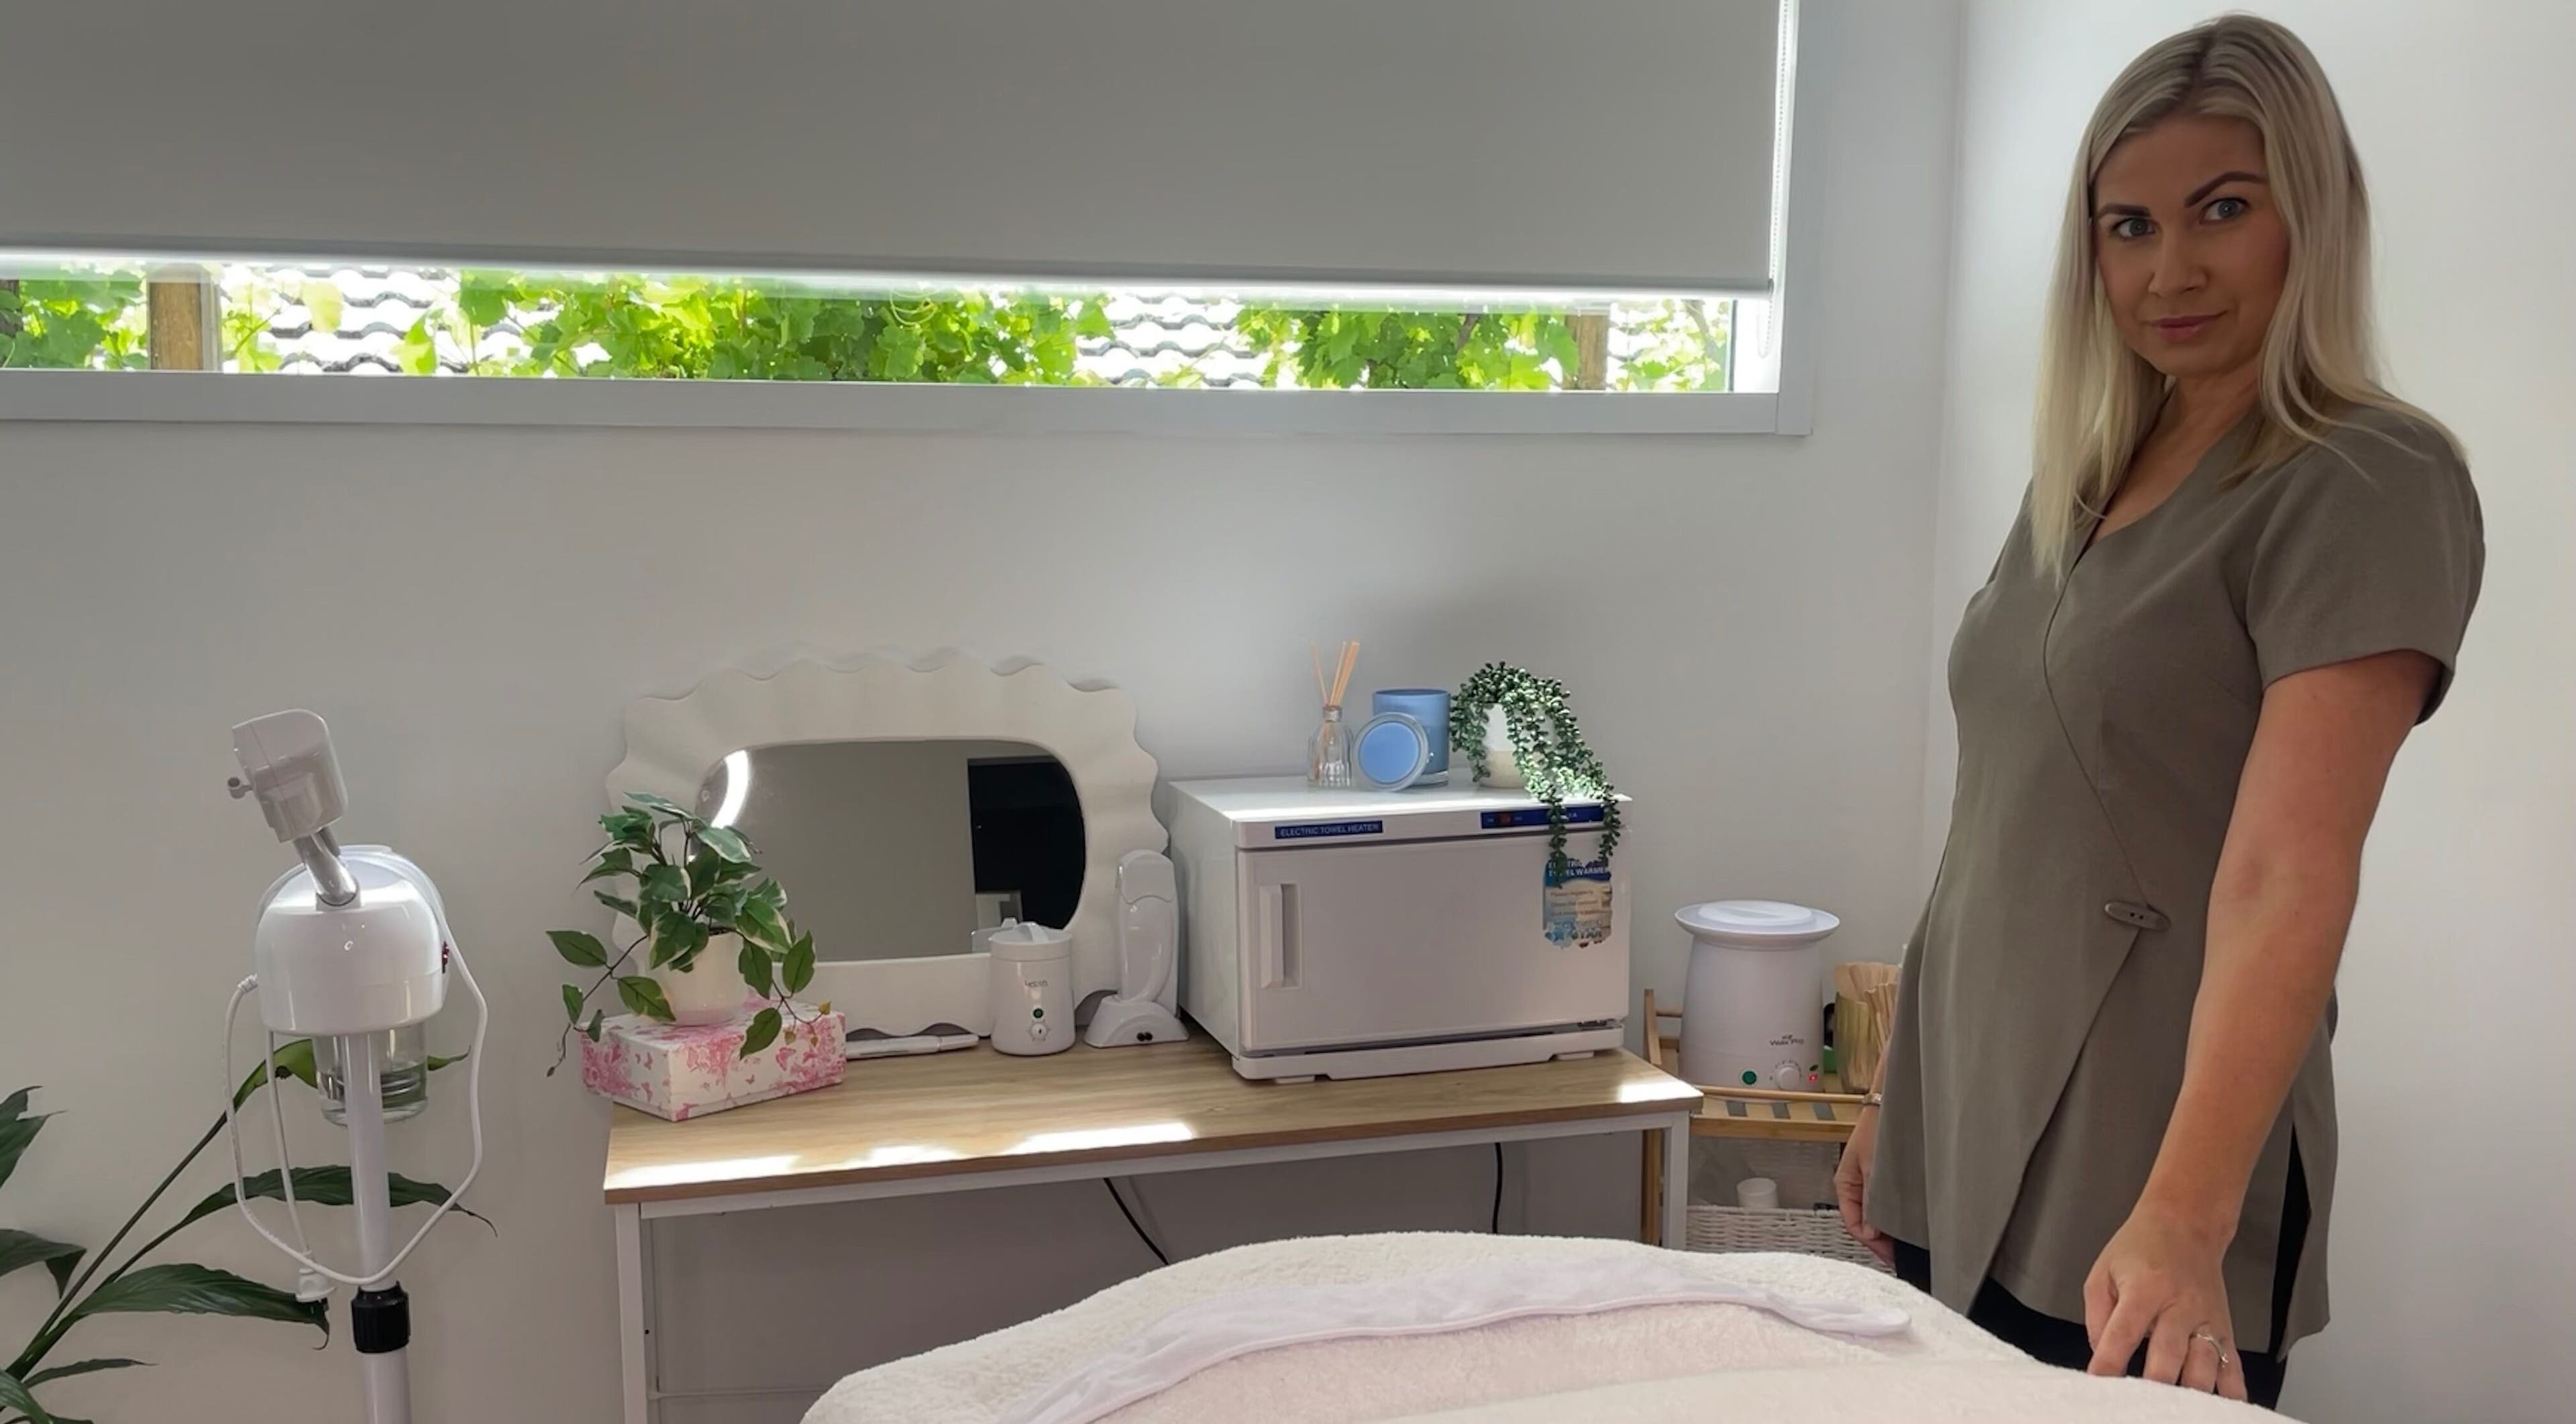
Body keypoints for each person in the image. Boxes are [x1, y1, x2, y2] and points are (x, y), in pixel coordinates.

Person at [1834, 13, 2483, 1410]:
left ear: (2311, 215)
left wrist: (2186, 1219)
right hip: (1968, 1099)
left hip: (2149, 1142)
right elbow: (1996, 817)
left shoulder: (2366, 478)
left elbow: (2288, 874)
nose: (2168, 269)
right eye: (2127, 227)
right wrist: (1899, 1092)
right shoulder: (2085, 475)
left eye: (2223, 212)